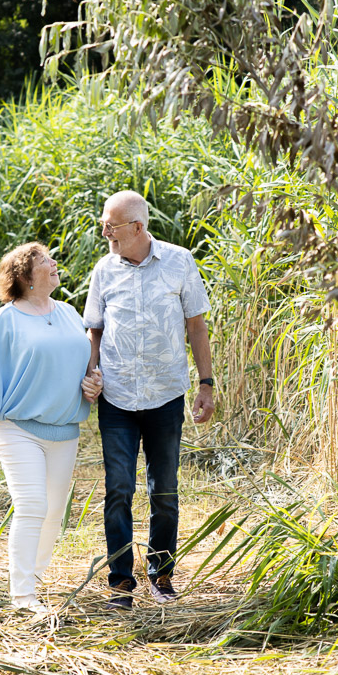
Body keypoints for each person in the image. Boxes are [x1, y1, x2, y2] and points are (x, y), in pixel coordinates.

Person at [83, 191, 215, 610]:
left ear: (137, 227)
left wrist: (206, 383)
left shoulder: (179, 261)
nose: (105, 231)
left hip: (165, 395)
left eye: (111, 225)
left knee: (165, 490)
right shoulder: (103, 270)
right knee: (118, 488)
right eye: (105, 224)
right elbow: (95, 331)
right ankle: (121, 583)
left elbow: (196, 326)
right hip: (117, 398)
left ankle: (161, 575)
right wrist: (91, 373)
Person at [0, 242, 103, 614]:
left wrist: (94, 383)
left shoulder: (70, 313)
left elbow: (84, 367)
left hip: (64, 429)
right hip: (16, 426)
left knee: (55, 512)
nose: (54, 263)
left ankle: (35, 578)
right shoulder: (6, 320)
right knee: (32, 506)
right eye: (45, 260)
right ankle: (23, 594)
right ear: (26, 277)